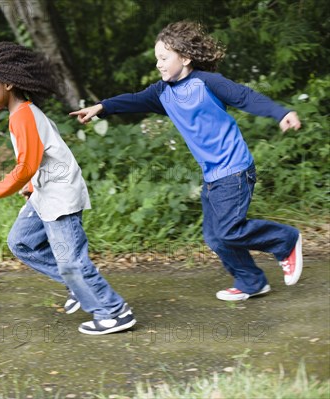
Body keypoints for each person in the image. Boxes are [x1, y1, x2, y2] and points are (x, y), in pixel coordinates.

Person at [70, 21, 303, 301]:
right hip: (212, 175)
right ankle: (251, 281)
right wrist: (101, 107)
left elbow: (245, 97)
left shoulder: (208, 83)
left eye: (164, 58)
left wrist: (280, 112)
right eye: (157, 59)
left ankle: (285, 240)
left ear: (185, 58)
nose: (158, 64)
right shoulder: (162, 92)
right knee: (216, 237)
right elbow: (133, 100)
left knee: (229, 230)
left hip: (235, 169)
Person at [0, 42, 136, 334]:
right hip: (44, 192)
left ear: (7, 83)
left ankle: (113, 312)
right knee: (21, 242)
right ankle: (79, 288)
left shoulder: (24, 116)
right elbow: (38, 159)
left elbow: (25, 167)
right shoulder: (20, 114)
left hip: (60, 197)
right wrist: (32, 185)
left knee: (71, 261)